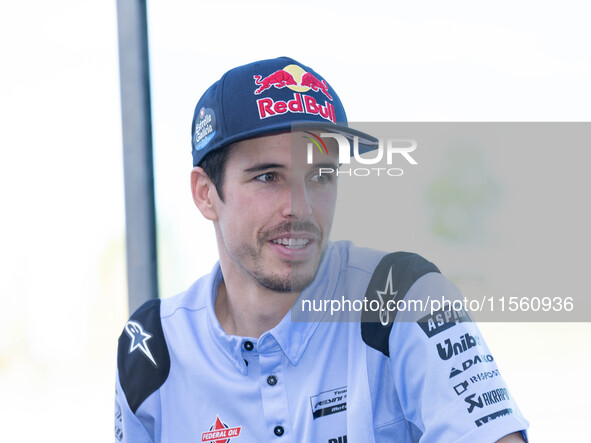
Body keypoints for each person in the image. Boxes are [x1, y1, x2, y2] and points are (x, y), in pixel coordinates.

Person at [115, 56, 529, 442]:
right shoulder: (151, 348)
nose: (301, 207)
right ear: (205, 193)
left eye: (321, 175)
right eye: (268, 177)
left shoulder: (403, 295)